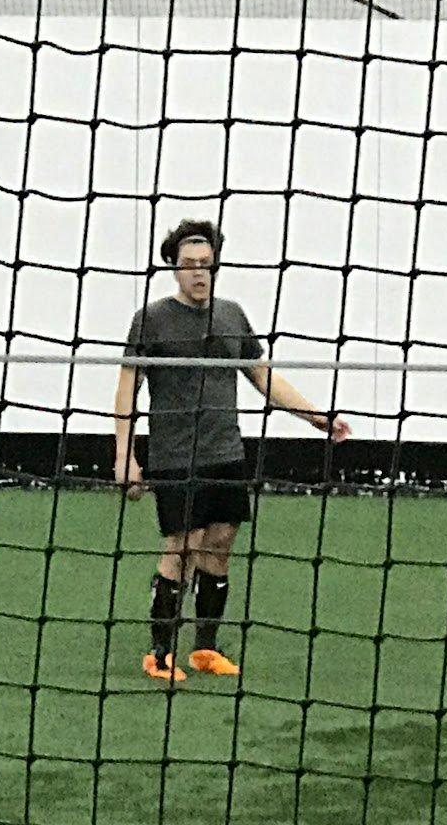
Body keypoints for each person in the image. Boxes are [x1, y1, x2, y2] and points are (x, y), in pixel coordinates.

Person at [113, 219, 351, 682]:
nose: (199, 273)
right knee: (182, 548)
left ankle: (205, 649)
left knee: (220, 544)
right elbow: (127, 388)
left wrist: (317, 417)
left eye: (206, 264)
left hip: (225, 451)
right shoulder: (151, 320)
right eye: (189, 265)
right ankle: (160, 654)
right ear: (174, 268)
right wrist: (125, 454)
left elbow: (262, 376)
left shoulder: (231, 315)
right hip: (175, 456)